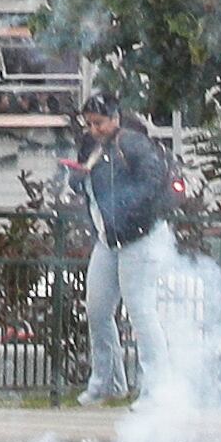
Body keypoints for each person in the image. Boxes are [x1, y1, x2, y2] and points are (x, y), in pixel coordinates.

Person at [73, 97, 172, 406]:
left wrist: (127, 210)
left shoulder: (133, 145)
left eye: (99, 123)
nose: (93, 129)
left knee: (141, 310)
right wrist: (76, 179)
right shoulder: (89, 145)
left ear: (115, 118)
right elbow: (85, 185)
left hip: (140, 238)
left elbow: (153, 182)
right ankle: (108, 382)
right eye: (89, 123)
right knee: (97, 309)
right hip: (109, 239)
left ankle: (157, 390)